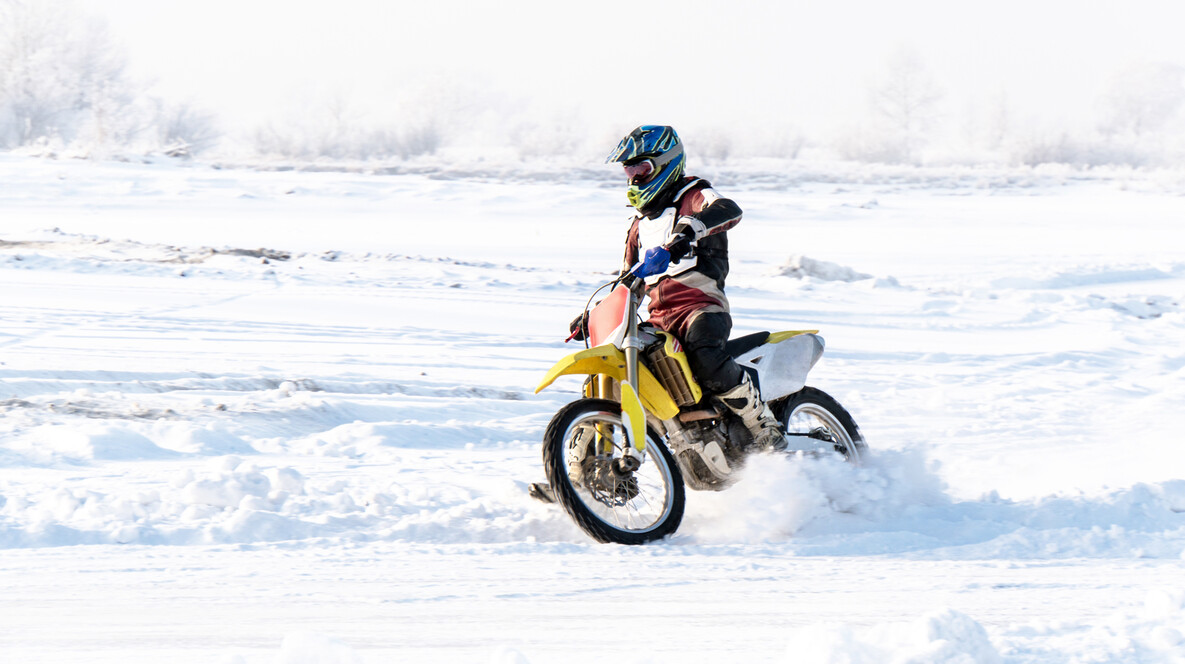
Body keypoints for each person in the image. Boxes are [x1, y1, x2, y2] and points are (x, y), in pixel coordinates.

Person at [573, 125, 786, 451]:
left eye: (641, 169)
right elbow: (625, 282)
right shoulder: (639, 226)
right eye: (629, 170)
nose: (633, 179)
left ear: (665, 163)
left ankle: (762, 423)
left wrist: (685, 235)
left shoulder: (695, 195)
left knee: (704, 351)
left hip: (701, 307)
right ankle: (584, 467)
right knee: (609, 371)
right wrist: (593, 314)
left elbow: (729, 209)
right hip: (660, 321)